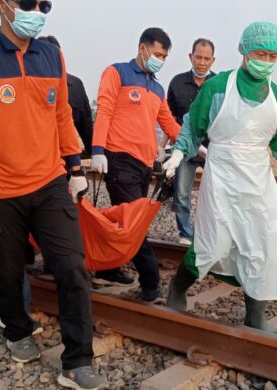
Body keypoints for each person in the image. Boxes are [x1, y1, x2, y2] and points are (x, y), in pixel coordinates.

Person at [0, 0, 106, 390]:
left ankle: (78, 360)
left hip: (48, 184)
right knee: (8, 273)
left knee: (72, 267)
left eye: (45, 4)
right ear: (1, 4)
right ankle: (16, 329)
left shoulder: (52, 55)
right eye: (29, 2)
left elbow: (61, 116)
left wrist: (75, 168)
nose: (38, 10)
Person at [163, 21, 277, 333]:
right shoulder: (218, 88)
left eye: (273, 56)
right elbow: (193, 127)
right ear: (245, 51)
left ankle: (255, 315)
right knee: (211, 243)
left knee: (262, 244)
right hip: (222, 176)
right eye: (261, 53)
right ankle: (177, 288)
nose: (266, 61)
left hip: (258, 180)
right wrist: (178, 154)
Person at [91, 27, 180, 300]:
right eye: (157, 54)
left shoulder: (156, 87)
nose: (160, 60)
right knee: (133, 225)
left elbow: (168, 123)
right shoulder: (117, 73)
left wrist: (198, 146)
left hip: (143, 165)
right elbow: (105, 109)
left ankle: (107, 268)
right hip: (119, 160)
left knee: (123, 220)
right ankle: (151, 283)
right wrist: (97, 150)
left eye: (164, 56)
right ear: (142, 49)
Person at [167, 38, 216, 245]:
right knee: (182, 191)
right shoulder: (177, 83)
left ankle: (210, 234)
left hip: (213, 149)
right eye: (198, 57)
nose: (202, 62)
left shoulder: (218, 85)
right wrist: (164, 150)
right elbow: (167, 118)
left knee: (215, 193)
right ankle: (185, 233)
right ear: (190, 57)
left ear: (212, 61)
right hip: (185, 148)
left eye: (206, 59)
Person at [37, 35, 92, 158]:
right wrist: (91, 152)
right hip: (66, 158)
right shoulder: (76, 84)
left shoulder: (28, 84)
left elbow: (86, 124)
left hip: (40, 158)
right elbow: (86, 126)